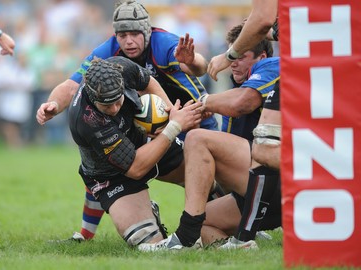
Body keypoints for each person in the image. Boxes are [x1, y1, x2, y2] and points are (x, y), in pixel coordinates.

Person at [36, 0, 219, 242]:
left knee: (206, 177)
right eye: (122, 35)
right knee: (99, 164)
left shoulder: (163, 42)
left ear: (146, 31)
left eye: (134, 34)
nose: (128, 41)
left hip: (193, 118)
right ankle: (85, 234)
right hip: (155, 123)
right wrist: (54, 105)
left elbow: (201, 67)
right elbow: (72, 85)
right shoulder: (109, 51)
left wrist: (191, 62)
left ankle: (232, 220)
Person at [138, 21, 281, 251]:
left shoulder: (273, 66)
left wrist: (203, 104)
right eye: (230, 55)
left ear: (262, 56)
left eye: (240, 56)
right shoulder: (235, 92)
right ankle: (245, 243)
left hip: (283, 181)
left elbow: (242, 103)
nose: (233, 62)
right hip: (259, 196)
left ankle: (184, 240)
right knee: (205, 222)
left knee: (197, 139)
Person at [68, 56, 202, 247]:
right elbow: (135, 167)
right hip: (112, 175)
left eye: (118, 100)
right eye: (107, 106)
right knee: (149, 244)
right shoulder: (87, 120)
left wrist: (170, 112)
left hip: (143, 138)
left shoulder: (120, 67)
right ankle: (146, 211)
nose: (115, 109)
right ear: (92, 98)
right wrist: (174, 127)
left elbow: (147, 81)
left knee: (205, 180)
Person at [207, 0, 278, 81]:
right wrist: (274, 34)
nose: (232, 64)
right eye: (234, 58)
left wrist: (227, 57)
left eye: (240, 57)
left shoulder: (273, 76)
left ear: (262, 58)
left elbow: (263, 20)